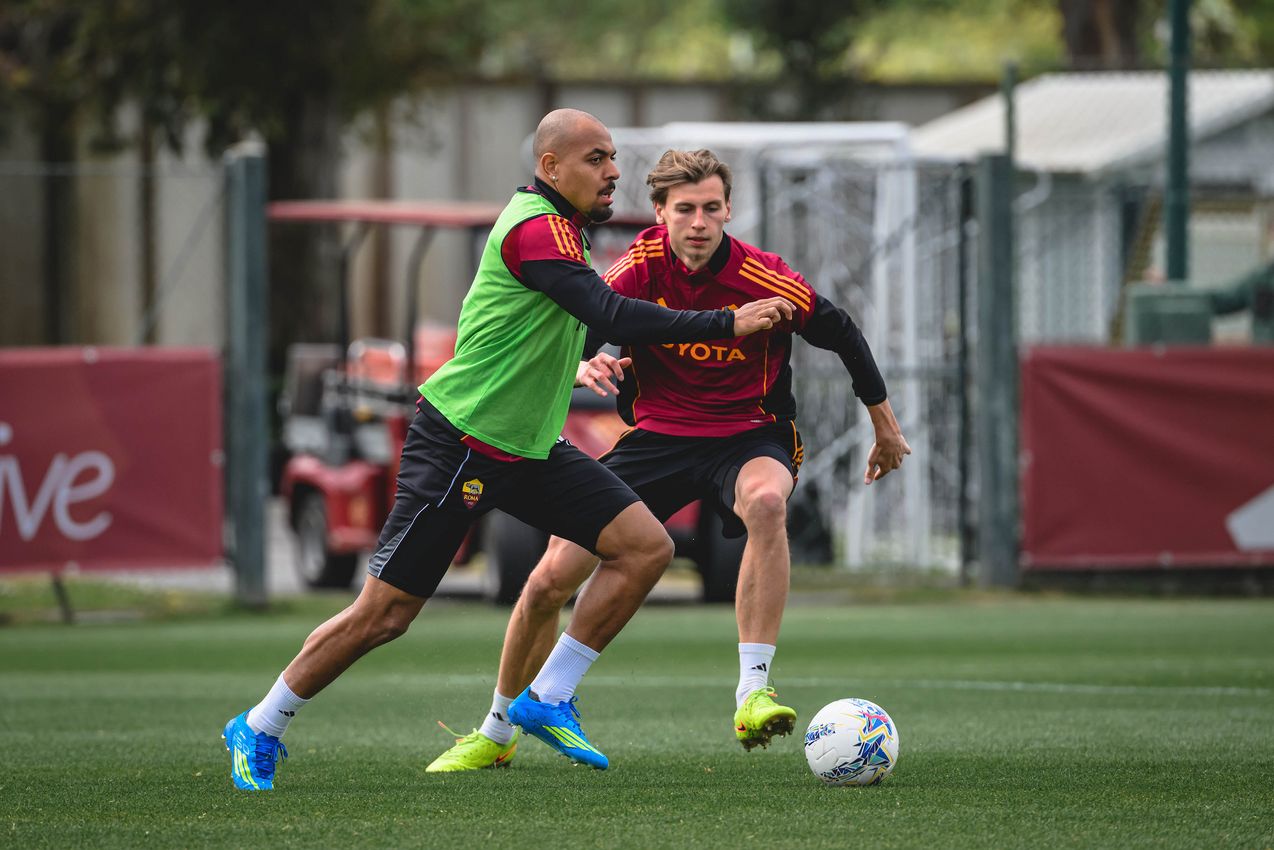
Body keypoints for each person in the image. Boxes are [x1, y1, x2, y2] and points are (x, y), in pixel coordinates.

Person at [223, 112, 795, 790]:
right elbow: (608, 314)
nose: (613, 171)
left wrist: (573, 365)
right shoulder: (535, 228)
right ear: (550, 167)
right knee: (385, 616)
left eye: (612, 157)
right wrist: (726, 322)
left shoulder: (565, 230)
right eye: (595, 158)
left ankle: (547, 696)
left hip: (529, 449)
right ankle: (260, 723)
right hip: (461, 445)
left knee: (646, 547)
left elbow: (551, 326)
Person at [426, 148, 910, 773]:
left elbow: (841, 330)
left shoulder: (765, 276)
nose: (699, 222)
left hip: (749, 435)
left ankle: (753, 693)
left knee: (767, 502)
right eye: (685, 209)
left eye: (711, 208)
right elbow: (585, 325)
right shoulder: (638, 267)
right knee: (548, 580)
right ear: (661, 213)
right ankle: (497, 731)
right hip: (656, 438)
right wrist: (588, 360)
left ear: (728, 210)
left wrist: (884, 425)